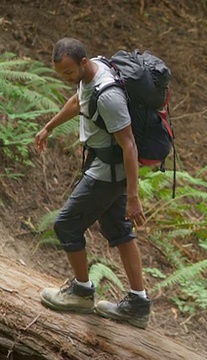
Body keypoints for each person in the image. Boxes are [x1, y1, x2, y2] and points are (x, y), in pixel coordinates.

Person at [34, 37, 151, 329]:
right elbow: (78, 101)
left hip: (107, 173)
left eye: (69, 72)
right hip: (105, 169)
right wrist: (49, 126)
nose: (67, 78)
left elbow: (130, 146)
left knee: (66, 224)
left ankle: (82, 292)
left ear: (83, 63)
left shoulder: (108, 95)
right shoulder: (91, 72)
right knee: (118, 230)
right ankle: (138, 303)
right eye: (62, 74)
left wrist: (134, 196)